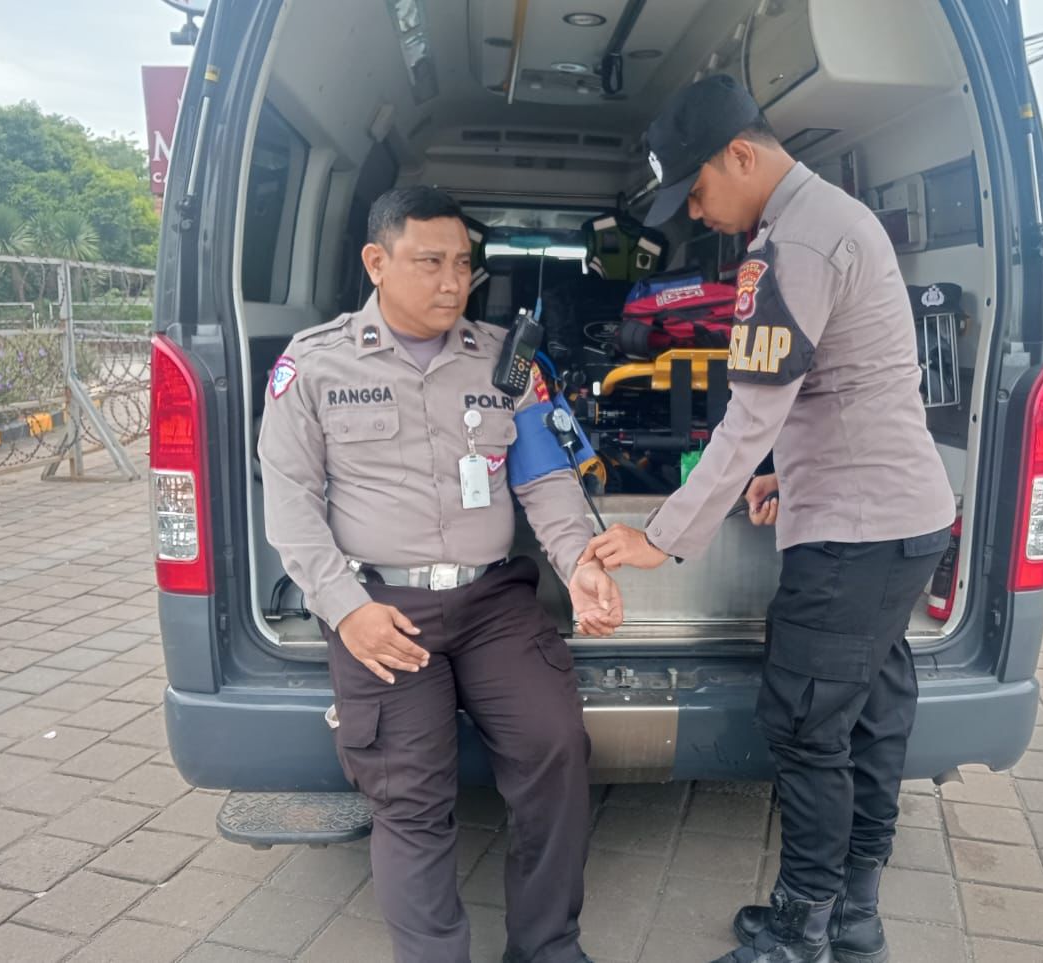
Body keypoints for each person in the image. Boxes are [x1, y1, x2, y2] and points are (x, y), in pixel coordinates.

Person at [581, 76, 954, 963]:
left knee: (805, 722)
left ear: (741, 154)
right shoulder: (835, 219)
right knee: (869, 711)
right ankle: (853, 913)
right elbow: (853, 383)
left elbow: (749, 416)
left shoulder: (791, 245)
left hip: (856, 535)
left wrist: (661, 535)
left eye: (697, 190)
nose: (696, 212)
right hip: (900, 515)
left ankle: (800, 931)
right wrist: (792, 470)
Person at [258, 186, 621, 963]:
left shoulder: (505, 360)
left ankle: (547, 946)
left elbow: (545, 479)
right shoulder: (313, 365)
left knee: (556, 747)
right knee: (411, 794)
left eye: (463, 263)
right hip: (383, 606)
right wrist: (347, 609)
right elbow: (290, 508)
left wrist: (579, 563)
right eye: (430, 262)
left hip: (493, 601)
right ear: (376, 262)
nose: (453, 282)